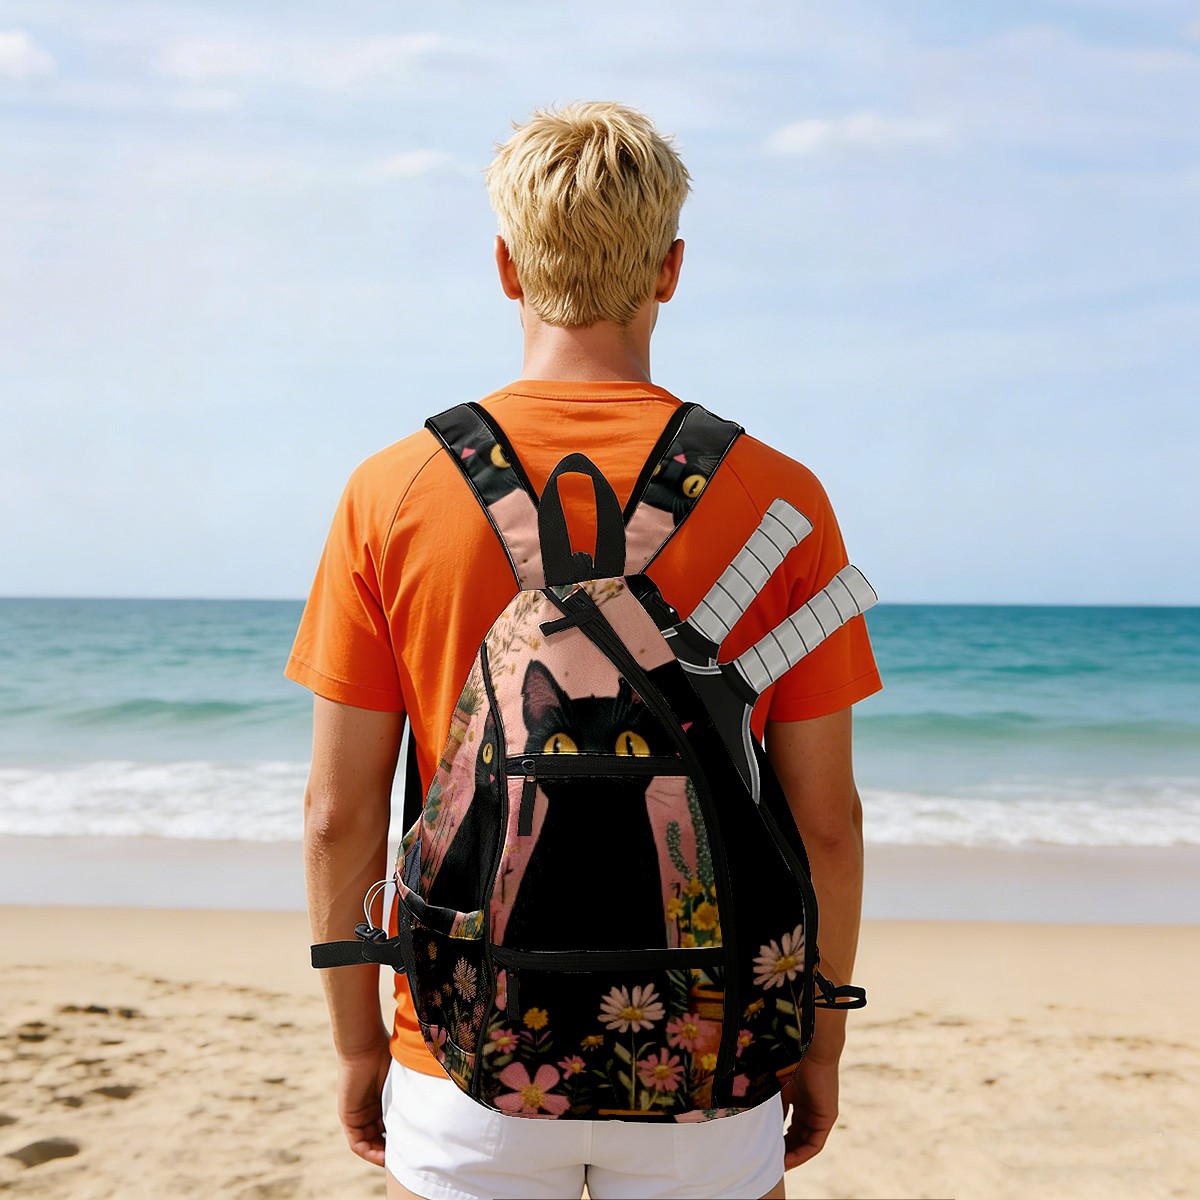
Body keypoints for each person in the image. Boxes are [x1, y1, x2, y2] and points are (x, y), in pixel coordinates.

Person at [287, 102, 881, 1200]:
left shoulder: (393, 490)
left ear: (506, 267)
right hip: (709, 1051)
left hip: (465, 1051)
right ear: (671, 270)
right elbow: (827, 824)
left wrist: (360, 1043)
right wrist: (820, 1036)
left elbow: (338, 812)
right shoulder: (781, 499)